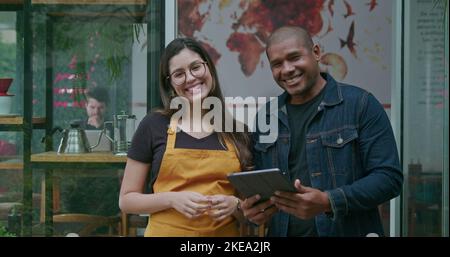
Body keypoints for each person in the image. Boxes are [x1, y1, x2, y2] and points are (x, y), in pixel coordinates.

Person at [240, 26, 403, 237]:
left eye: (294, 57)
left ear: (316, 52)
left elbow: (389, 179)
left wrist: (328, 201)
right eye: (277, 64)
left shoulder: (360, 104)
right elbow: (263, 189)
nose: (287, 69)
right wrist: (254, 210)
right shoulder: (266, 116)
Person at [119, 37, 253, 237]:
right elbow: (127, 201)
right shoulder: (153, 125)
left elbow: (254, 213)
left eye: (196, 67)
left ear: (208, 68)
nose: (190, 78)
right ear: (171, 84)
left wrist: (236, 206)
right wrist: (171, 199)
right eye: (179, 74)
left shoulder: (237, 132)